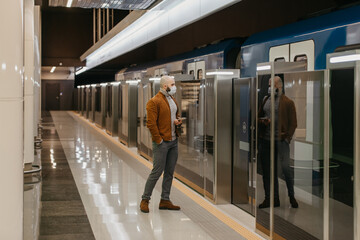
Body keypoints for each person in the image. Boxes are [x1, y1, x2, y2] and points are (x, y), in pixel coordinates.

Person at [140, 75, 182, 213]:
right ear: (165, 86)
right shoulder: (154, 101)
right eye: (172, 84)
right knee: (157, 172)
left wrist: (176, 121)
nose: (174, 86)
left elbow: (170, 117)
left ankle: (165, 200)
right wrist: (159, 140)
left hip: (173, 141)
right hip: (162, 143)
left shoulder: (172, 99)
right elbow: (151, 124)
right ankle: (145, 200)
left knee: (169, 172)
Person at [258, 76, 298, 209]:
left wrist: (287, 139)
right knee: (268, 171)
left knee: (286, 169)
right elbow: (259, 116)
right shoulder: (265, 100)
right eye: (269, 84)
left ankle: (291, 196)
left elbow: (293, 123)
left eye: (272, 84)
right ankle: (271, 198)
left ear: (279, 86)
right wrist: (262, 121)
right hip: (266, 140)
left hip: (281, 142)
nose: (270, 87)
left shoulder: (288, 102)